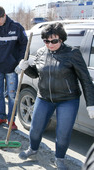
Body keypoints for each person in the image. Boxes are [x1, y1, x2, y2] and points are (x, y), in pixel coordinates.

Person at [16, 22, 94, 170]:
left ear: (62, 39)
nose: (50, 44)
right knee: (35, 128)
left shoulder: (72, 54)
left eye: (54, 41)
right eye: (46, 41)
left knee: (63, 133)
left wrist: (91, 103)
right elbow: (36, 74)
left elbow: (85, 79)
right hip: (44, 97)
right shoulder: (40, 52)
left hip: (67, 100)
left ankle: (60, 159)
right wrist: (26, 68)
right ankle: (32, 149)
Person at [0, 5, 28, 129]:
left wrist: (21, 62)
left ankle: (11, 120)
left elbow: (24, 46)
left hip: (12, 67)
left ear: (4, 15)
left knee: (12, 95)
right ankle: (2, 117)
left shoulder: (16, 27)